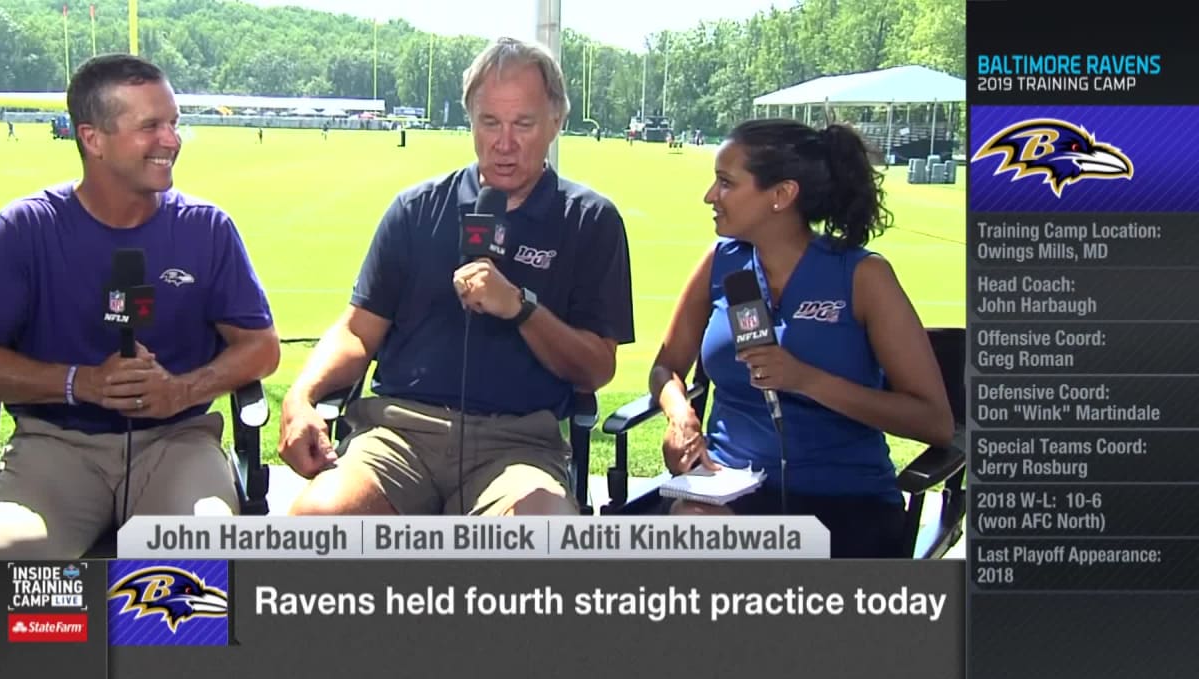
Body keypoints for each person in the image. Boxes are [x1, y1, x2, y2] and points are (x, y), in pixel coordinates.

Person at [279, 37, 634, 516]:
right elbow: (357, 331)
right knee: (317, 520)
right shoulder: (415, 209)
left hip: (518, 447)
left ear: (556, 123)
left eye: (522, 124)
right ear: (470, 119)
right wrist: (301, 397)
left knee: (546, 539)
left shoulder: (591, 221)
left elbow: (596, 368)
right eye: (489, 122)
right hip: (399, 435)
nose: (503, 143)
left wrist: (521, 308)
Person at [0, 54, 280, 559]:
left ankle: (150, 640)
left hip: (178, 441)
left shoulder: (207, 228)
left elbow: (260, 348)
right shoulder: (27, 228)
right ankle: (69, 638)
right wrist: (80, 383)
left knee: (196, 568)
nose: (172, 140)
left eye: (173, 123)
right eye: (151, 126)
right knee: (15, 565)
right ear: (92, 138)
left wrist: (180, 390)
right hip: (54, 445)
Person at [649, 117, 953, 558]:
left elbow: (935, 422)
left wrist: (806, 379)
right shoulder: (721, 263)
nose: (710, 196)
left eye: (726, 183)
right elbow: (665, 367)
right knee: (688, 532)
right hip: (727, 493)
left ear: (781, 195)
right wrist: (679, 414)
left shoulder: (863, 276)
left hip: (846, 505)